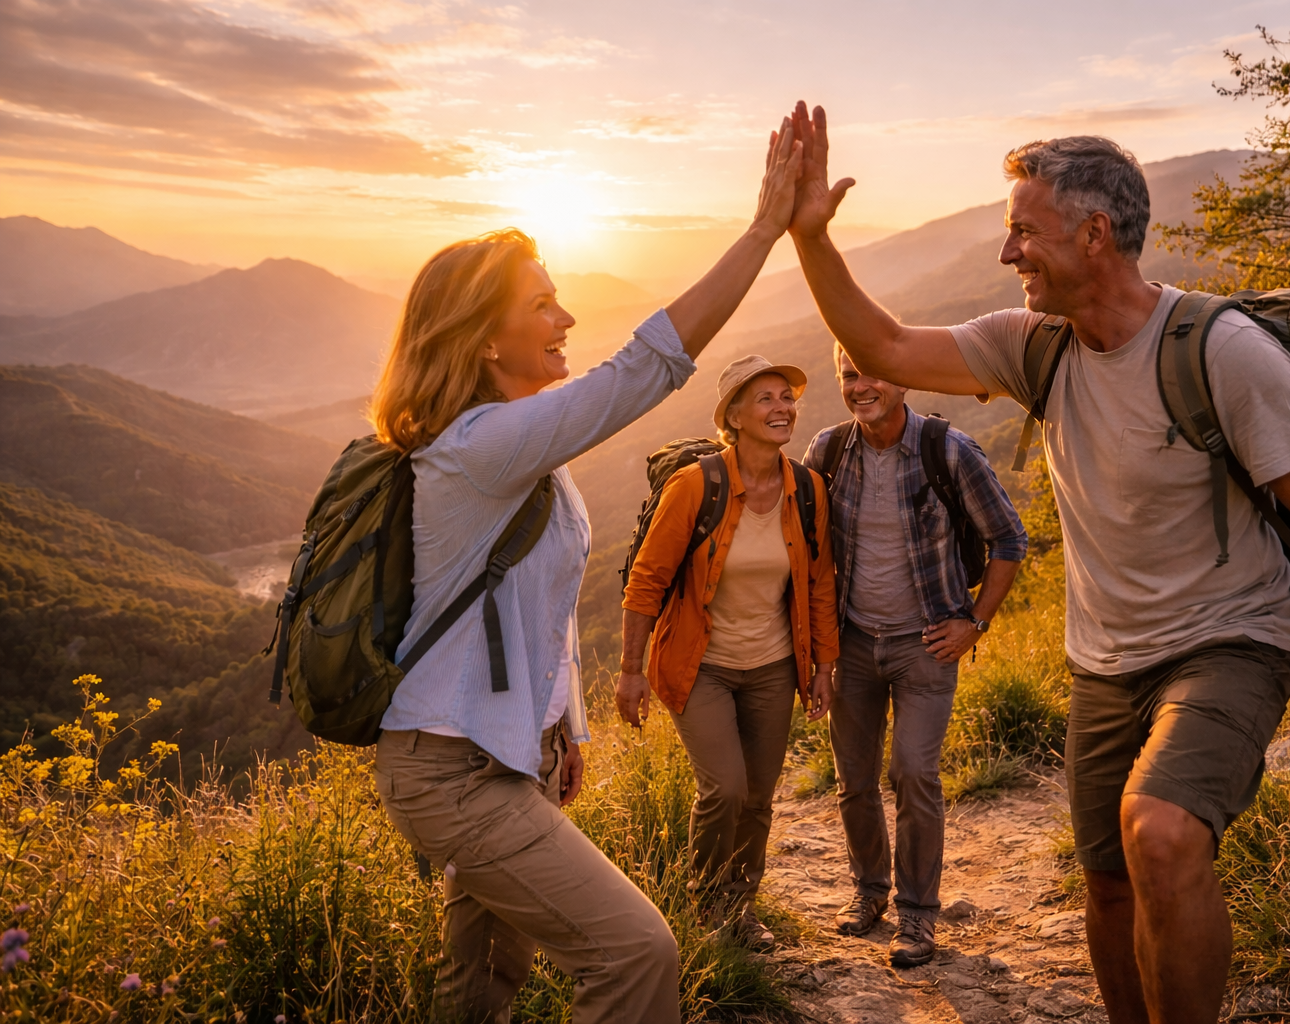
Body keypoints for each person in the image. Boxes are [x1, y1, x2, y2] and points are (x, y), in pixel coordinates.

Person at [786, 102, 1290, 1024]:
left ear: (1095, 234)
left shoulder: (1221, 352)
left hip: (1230, 640)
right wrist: (811, 240)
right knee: (1107, 884)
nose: (1006, 254)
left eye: (1023, 232)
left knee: (1159, 834)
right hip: (1105, 662)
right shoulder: (1036, 348)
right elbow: (884, 348)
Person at [366, 119, 804, 1024]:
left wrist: (560, 729)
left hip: (490, 758)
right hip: (450, 770)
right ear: (485, 341)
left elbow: (538, 600)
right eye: (543, 305)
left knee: (480, 983)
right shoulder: (483, 444)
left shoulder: (517, 452)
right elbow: (641, 371)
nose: (566, 318)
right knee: (637, 954)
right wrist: (762, 231)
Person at [803, 347, 1025, 967]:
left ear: (904, 376)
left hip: (927, 642)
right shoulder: (826, 452)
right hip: (851, 643)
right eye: (848, 374)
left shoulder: (947, 451)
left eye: (872, 372)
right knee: (853, 779)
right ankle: (868, 894)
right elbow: (805, 550)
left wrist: (975, 623)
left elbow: (1008, 538)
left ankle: (918, 917)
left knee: (913, 773)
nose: (861, 385)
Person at [616, 354, 838, 949]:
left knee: (759, 798)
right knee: (726, 789)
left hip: (772, 667)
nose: (782, 407)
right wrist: (629, 670)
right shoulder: (697, 486)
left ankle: (740, 911)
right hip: (701, 666)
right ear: (733, 416)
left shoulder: (808, 489)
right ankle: (705, 906)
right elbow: (647, 579)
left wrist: (823, 666)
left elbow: (818, 582)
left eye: (786, 397)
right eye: (765, 398)